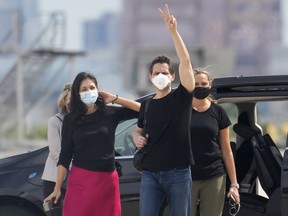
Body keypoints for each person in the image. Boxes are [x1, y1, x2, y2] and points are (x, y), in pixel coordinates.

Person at [44, 71, 140, 216]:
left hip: (107, 181)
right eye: (84, 89)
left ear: (97, 90)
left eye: (92, 88)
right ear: (77, 94)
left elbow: (142, 109)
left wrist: (115, 98)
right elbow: (64, 156)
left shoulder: (110, 113)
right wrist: (57, 188)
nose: (89, 92)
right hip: (80, 181)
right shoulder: (70, 119)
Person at [133, 4, 195, 216]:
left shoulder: (181, 98)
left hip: (178, 173)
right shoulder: (148, 104)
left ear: (172, 76)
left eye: (164, 72)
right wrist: (136, 139)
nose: (160, 75)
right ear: (150, 77)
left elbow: (186, 62)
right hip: (150, 173)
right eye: (156, 73)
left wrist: (173, 32)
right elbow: (137, 129)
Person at [190, 68, 240, 216]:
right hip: (186, 177)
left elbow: (226, 150)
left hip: (214, 176)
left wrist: (234, 184)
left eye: (204, 83)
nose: (200, 87)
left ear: (210, 85)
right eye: (196, 84)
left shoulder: (218, 112)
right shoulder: (181, 111)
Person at [42, 82, 71, 216]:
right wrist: (79, 168)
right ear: (64, 101)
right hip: (55, 179)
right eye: (70, 99)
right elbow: (56, 152)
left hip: (77, 178)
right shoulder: (55, 121)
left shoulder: (84, 120)